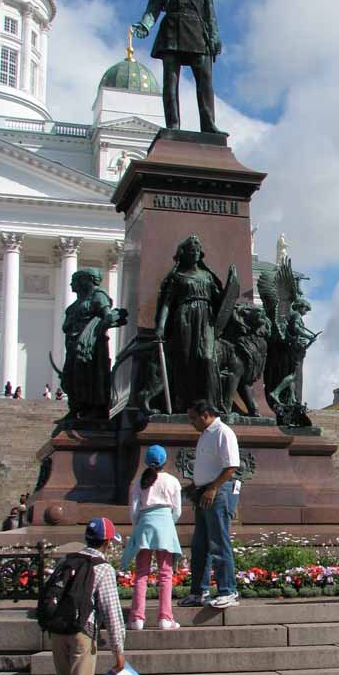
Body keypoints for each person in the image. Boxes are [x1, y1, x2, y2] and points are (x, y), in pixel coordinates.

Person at [50, 517, 126, 675]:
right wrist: (119, 653)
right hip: (83, 634)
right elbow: (113, 614)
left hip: (58, 633)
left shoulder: (67, 561)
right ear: (106, 542)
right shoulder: (102, 568)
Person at [133, 0, 222, 134]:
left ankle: (208, 125)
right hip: (172, 30)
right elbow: (154, 7)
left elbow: (210, 14)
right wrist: (145, 25)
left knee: (205, 81)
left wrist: (214, 36)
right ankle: (173, 125)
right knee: (171, 82)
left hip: (198, 32)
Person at [179, 399, 240, 609]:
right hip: (204, 492)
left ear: (205, 415)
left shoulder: (223, 432)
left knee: (219, 543)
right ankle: (199, 591)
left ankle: (228, 591)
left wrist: (212, 488)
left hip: (218, 492)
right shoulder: (206, 434)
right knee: (200, 545)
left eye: (193, 418)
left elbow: (231, 465)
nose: (191, 423)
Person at [154, 236, 225, 414]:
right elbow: (167, 303)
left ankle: (210, 403)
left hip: (206, 319)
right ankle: (183, 401)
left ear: (201, 254)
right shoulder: (178, 276)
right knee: (184, 358)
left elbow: (219, 300)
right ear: (184, 254)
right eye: (190, 251)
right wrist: (161, 326)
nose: (194, 254)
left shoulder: (207, 275)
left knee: (208, 358)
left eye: (197, 251)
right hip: (184, 317)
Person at [121, 445, 182, 631]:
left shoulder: (140, 481)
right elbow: (177, 510)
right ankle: (165, 618)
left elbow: (134, 511)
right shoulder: (172, 481)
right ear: (165, 461)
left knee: (141, 573)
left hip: (144, 525)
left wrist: (139, 527)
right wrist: (168, 523)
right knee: (166, 574)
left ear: (146, 461)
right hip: (165, 526)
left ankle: (137, 618)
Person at [60, 268, 127, 420]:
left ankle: (92, 408)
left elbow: (107, 316)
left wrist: (102, 323)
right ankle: (75, 408)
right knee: (70, 375)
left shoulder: (98, 296)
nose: (71, 284)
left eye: (74, 281)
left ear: (86, 280)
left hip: (91, 346)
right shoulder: (80, 300)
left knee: (87, 375)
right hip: (74, 343)